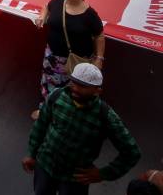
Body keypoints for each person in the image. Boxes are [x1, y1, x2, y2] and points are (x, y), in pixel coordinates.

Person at [24, 63, 141, 194]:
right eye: (74, 83)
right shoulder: (57, 96)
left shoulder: (106, 116)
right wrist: (31, 154)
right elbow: (41, 125)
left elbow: (132, 152)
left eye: (83, 86)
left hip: (74, 179)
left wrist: (103, 174)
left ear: (97, 91)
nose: (75, 89)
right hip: (44, 166)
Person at [33, 0, 105, 118]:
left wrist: (99, 58)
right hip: (53, 56)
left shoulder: (90, 14)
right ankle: (46, 110)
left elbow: (99, 36)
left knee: (74, 89)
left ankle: (67, 115)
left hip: (77, 60)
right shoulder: (57, 1)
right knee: (48, 84)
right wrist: (42, 16)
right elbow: (47, 6)